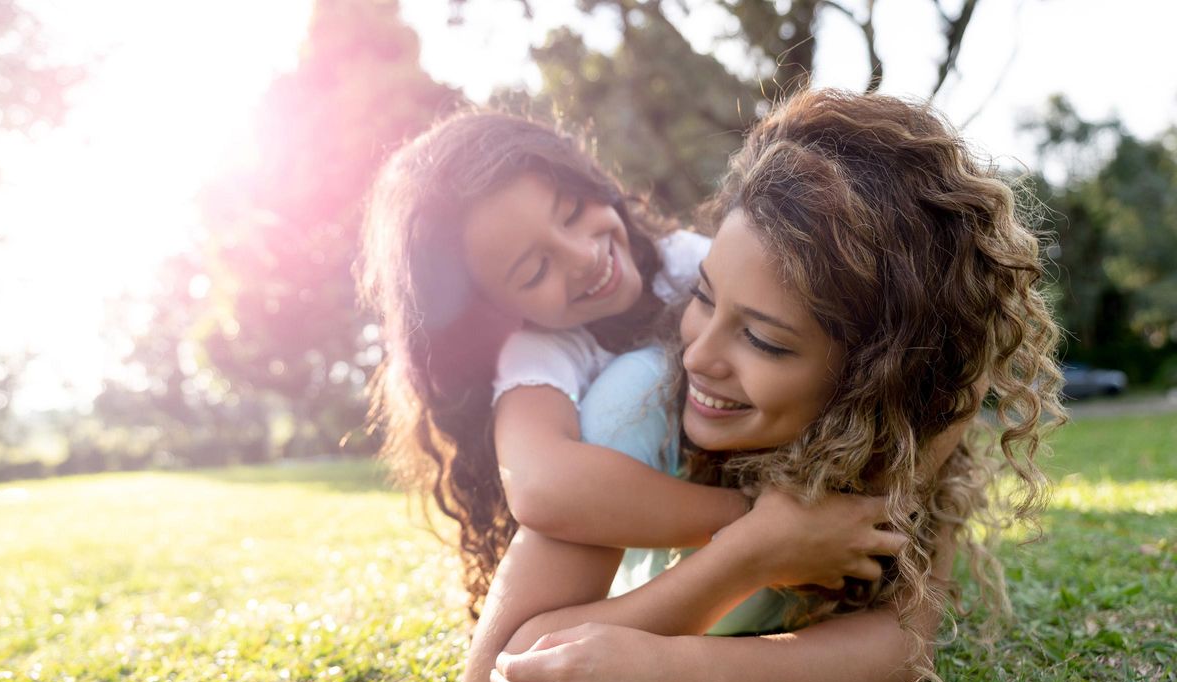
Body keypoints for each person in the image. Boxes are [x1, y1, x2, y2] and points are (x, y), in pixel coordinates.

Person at [459, 89, 1066, 682]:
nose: (699, 355)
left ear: (873, 375)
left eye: (767, 342)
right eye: (703, 295)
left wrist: (691, 679)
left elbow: (899, 642)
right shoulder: (638, 401)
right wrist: (755, 549)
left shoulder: (894, 431)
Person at [358, 112, 897, 627]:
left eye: (571, 212)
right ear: (495, 310)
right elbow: (542, 486)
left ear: (590, 181)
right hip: (653, 568)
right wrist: (758, 522)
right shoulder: (543, 353)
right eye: (536, 269)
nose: (583, 257)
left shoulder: (688, 262)